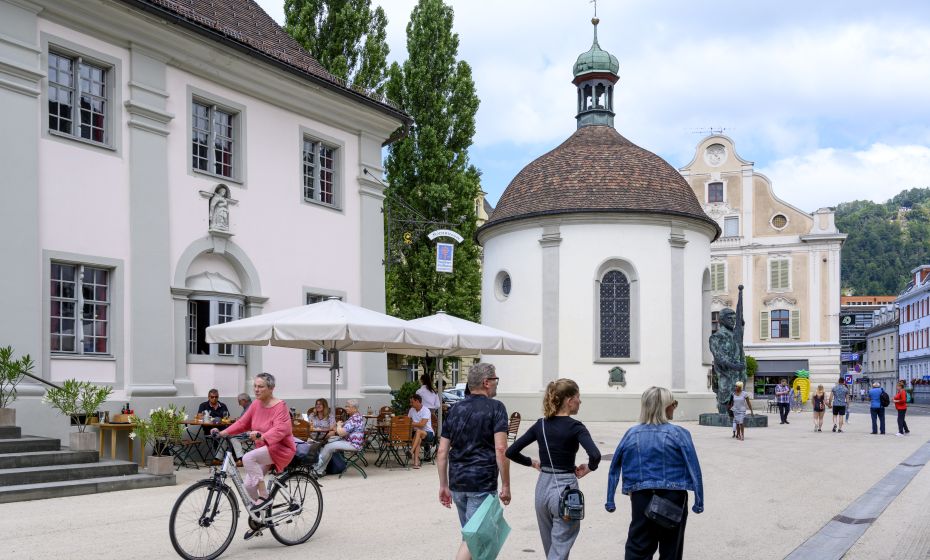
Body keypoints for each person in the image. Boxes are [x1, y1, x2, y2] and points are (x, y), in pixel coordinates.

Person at [506, 379, 601, 560]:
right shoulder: (576, 427)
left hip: (542, 488)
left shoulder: (540, 425)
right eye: (578, 397)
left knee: (552, 549)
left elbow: (511, 451)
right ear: (568, 400)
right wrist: (588, 468)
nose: (580, 401)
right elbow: (595, 455)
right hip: (565, 488)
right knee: (559, 551)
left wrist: (532, 463)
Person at [606, 386, 704, 560]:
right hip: (673, 497)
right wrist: (699, 500)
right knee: (671, 549)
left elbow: (614, 467)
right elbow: (693, 467)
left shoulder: (631, 434)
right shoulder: (679, 434)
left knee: (638, 547)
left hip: (640, 497)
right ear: (665, 407)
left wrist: (610, 500)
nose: (675, 406)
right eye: (673, 403)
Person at [438, 362, 511, 560]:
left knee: (475, 538)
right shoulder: (496, 408)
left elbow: (442, 451)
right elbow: (501, 449)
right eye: (495, 380)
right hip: (481, 483)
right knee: (473, 539)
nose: (497, 384)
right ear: (487, 382)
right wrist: (506, 485)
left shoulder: (455, 410)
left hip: (458, 483)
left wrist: (444, 485)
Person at [213, 372, 295, 539]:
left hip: (280, 448)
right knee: (249, 486)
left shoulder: (280, 406)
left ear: (271, 388)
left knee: (248, 457)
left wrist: (263, 436)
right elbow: (243, 423)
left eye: (261, 386)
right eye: (255, 386)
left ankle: (264, 497)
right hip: (263, 450)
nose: (256, 390)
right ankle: (260, 520)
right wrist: (223, 433)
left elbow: (281, 429)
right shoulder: (256, 405)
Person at [708, 308, 745, 414]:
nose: (733, 321)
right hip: (726, 374)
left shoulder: (735, 335)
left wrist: (742, 323)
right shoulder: (716, 337)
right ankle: (723, 413)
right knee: (725, 395)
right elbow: (719, 357)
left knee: (737, 398)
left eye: (734, 319)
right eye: (730, 319)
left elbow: (739, 347)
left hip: (738, 374)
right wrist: (734, 366)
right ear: (723, 320)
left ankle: (736, 414)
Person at [313, 399, 365, 475]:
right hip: (351, 442)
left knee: (328, 447)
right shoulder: (356, 417)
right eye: (346, 406)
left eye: (348, 406)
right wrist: (339, 426)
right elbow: (340, 428)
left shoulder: (355, 418)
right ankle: (319, 471)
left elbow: (341, 433)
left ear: (354, 408)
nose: (346, 408)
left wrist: (339, 426)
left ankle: (316, 469)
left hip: (353, 444)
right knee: (329, 446)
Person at [408, 394, 434, 469]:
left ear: (417, 401)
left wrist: (413, 424)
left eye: (412, 402)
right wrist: (414, 424)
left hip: (428, 433)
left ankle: (411, 451)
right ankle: (416, 463)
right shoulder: (411, 410)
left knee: (419, 431)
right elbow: (408, 422)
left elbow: (422, 424)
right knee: (418, 439)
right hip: (417, 434)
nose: (411, 404)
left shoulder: (426, 410)